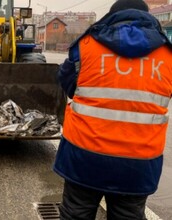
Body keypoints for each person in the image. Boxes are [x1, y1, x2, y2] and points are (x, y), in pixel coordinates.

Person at [53, 0, 172, 219]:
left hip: (84, 156)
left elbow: (68, 85)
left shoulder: (86, 45)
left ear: (111, 17)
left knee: (75, 214)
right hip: (139, 163)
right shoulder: (167, 55)